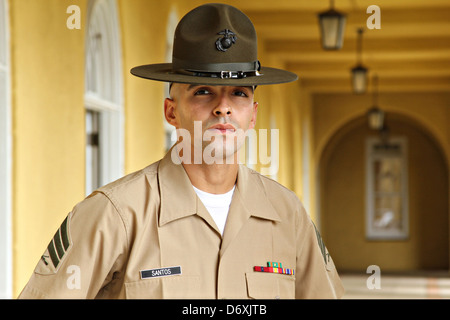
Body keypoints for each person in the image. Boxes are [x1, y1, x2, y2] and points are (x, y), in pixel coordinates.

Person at [18, 3, 344, 299]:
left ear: (253, 114)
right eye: (203, 91)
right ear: (171, 112)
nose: (223, 108)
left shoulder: (287, 214)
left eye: (238, 93)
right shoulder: (116, 214)